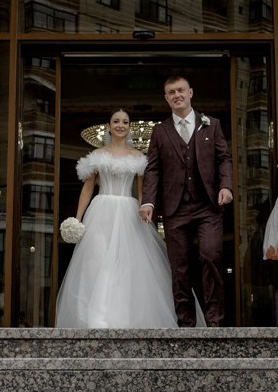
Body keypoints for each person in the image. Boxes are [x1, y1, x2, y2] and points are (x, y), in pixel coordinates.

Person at [58, 110, 179, 328]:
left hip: (127, 211)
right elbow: (87, 189)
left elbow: (143, 191)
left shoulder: (139, 158)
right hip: (101, 210)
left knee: (127, 264)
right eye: (116, 121)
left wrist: (146, 209)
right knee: (97, 261)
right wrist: (77, 219)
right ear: (108, 126)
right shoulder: (97, 154)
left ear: (130, 127)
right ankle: (97, 318)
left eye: (125, 122)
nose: (120, 125)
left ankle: (123, 317)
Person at [140, 75, 234, 327]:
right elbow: (153, 169)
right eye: (171, 92)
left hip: (208, 206)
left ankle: (215, 322)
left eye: (180, 90)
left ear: (191, 92)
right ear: (166, 98)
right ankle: (186, 324)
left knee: (211, 255)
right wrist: (148, 201)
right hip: (175, 209)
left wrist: (226, 186)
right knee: (179, 268)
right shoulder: (160, 132)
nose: (176, 95)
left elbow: (223, 158)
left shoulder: (211, 125)